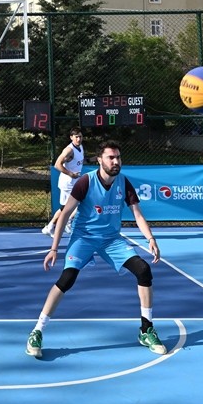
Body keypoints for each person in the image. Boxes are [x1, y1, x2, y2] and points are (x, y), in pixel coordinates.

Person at [25, 140, 166, 359]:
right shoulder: (86, 182)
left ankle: (146, 330)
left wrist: (151, 238)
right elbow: (65, 214)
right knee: (67, 278)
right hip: (84, 237)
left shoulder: (123, 182)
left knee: (143, 270)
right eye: (111, 157)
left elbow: (137, 214)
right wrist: (54, 248)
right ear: (100, 159)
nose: (116, 161)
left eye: (118, 157)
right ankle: (37, 331)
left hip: (111, 239)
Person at [42, 127, 85, 236]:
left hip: (75, 182)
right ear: (71, 137)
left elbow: (79, 161)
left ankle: (50, 226)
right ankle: (68, 222)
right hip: (68, 183)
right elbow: (57, 164)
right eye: (76, 137)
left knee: (65, 207)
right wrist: (71, 174)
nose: (79, 139)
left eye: (80, 137)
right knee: (80, 203)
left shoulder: (80, 147)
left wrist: (95, 158)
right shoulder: (69, 150)